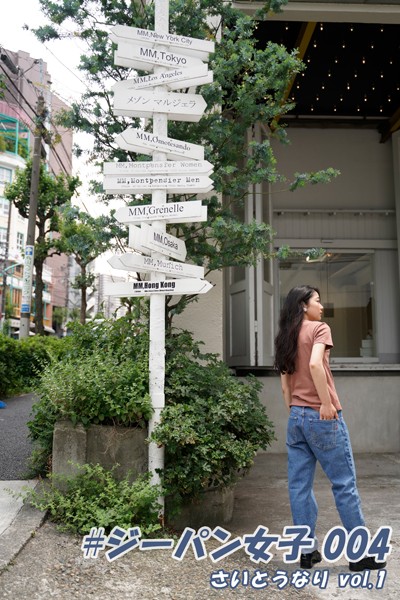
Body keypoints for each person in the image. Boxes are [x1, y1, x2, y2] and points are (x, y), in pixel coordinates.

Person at [274, 285, 386, 572]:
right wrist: (325, 403)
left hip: (296, 418)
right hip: (321, 416)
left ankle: (306, 552)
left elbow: (285, 385)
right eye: (317, 301)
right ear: (303, 305)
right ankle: (359, 555)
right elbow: (315, 365)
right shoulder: (319, 329)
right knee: (344, 484)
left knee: (299, 487)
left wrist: (295, 411)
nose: (322, 306)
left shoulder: (285, 336)